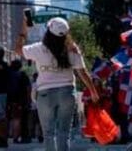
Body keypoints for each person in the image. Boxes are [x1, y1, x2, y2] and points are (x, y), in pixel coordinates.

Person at [15, 17, 98, 151]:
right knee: (64, 133)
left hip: (45, 94)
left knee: (48, 133)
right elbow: (83, 73)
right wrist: (93, 91)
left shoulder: (39, 48)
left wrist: (24, 30)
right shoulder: (72, 49)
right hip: (67, 92)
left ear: (48, 31)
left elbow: (18, 50)